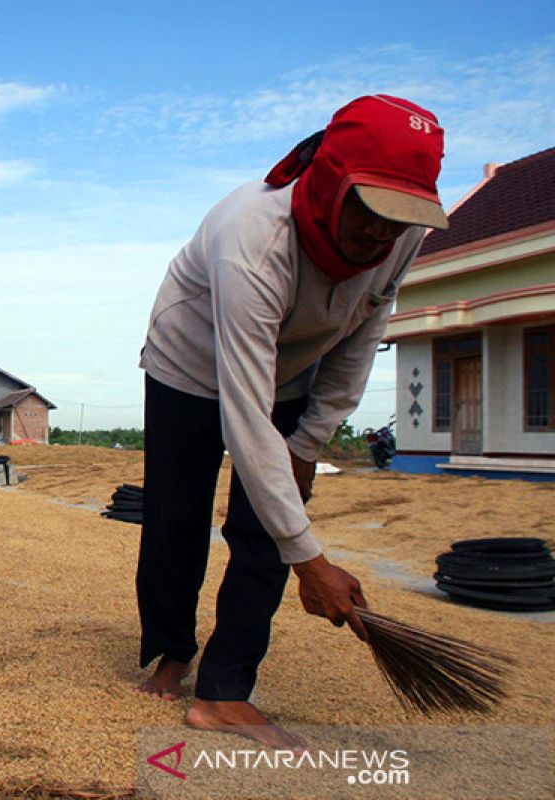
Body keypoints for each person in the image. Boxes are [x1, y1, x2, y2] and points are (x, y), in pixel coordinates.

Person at [135, 95, 449, 750]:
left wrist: (309, 441)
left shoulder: (401, 234)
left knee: (263, 530)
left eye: (401, 222)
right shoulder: (253, 238)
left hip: (294, 369)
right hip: (189, 364)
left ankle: (224, 693)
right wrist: (314, 561)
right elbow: (244, 416)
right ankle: (170, 652)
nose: (381, 237)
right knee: (175, 517)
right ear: (331, 182)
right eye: (371, 214)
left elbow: (364, 332)